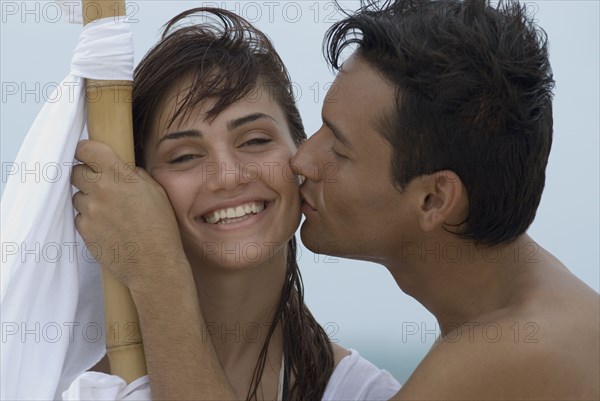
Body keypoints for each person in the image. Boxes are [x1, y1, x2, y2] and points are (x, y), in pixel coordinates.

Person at [71, 7, 400, 401]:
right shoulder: (66, 384)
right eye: (185, 156)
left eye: (255, 141)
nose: (228, 176)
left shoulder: (366, 394)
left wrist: (157, 274)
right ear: (137, 189)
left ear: (300, 155)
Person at [288, 0, 600, 399]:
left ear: (435, 199)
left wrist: (179, 276)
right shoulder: (536, 318)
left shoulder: (505, 354)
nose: (302, 159)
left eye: (340, 149)